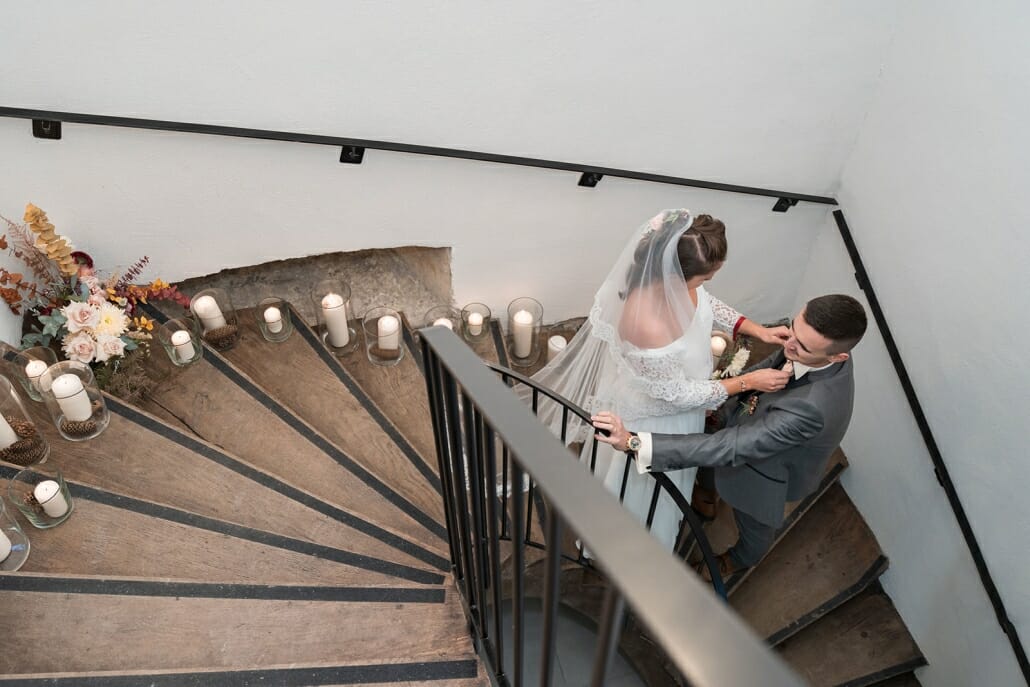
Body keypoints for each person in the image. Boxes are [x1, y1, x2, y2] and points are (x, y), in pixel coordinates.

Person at [527, 209, 790, 553]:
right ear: (675, 274)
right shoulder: (645, 324)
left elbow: (707, 304)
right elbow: (675, 394)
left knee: (675, 475)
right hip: (655, 418)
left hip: (687, 404)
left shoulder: (679, 284)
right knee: (639, 490)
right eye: (706, 276)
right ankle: (621, 546)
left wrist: (758, 330)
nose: (708, 282)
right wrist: (748, 381)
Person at [591, 294, 868, 578]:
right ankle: (707, 497)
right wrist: (722, 397)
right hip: (744, 421)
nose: (788, 345)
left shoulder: (812, 408)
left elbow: (731, 447)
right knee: (713, 444)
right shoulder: (809, 348)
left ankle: (737, 560)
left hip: (766, 472)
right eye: (793, 329)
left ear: (838, 357)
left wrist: (635, 442)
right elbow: (765, 371)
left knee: (755, 526)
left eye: (802, 346)